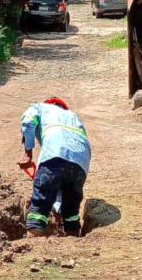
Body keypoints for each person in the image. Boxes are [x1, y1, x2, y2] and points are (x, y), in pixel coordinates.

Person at [18, 97, 91, 237]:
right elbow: (64, 174)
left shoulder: (39, 107)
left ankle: (34, 245)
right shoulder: (73, 116)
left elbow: (27, 122)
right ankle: (73, 237)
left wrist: (28, 153)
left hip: (54, 155)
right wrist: (58, 209)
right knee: (71, 209)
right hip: (81, 162)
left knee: (40, 205)